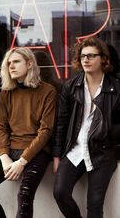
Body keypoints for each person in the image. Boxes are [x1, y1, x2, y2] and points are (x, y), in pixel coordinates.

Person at [0, 47, 57, 218]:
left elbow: (46, 131)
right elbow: (2, 126)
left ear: (29, 63)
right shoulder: (6, 92)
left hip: (37, 152)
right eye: (9, 63)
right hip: (11, 149)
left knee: (24, 195)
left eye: (16, 62)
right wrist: (4, 157)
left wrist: (22, 162)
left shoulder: (48, 91)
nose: (11, 66)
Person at [52, 36, 120, 218]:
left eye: (91, 56)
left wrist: (112, 141)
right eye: (83, 56)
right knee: (60, 193)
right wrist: (57, 155)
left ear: (104, 59)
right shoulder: (71, 87)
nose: (86, 60)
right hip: (75, 149)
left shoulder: (116, 88)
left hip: (103, 152)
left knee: (95, 206)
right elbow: (61, 123)